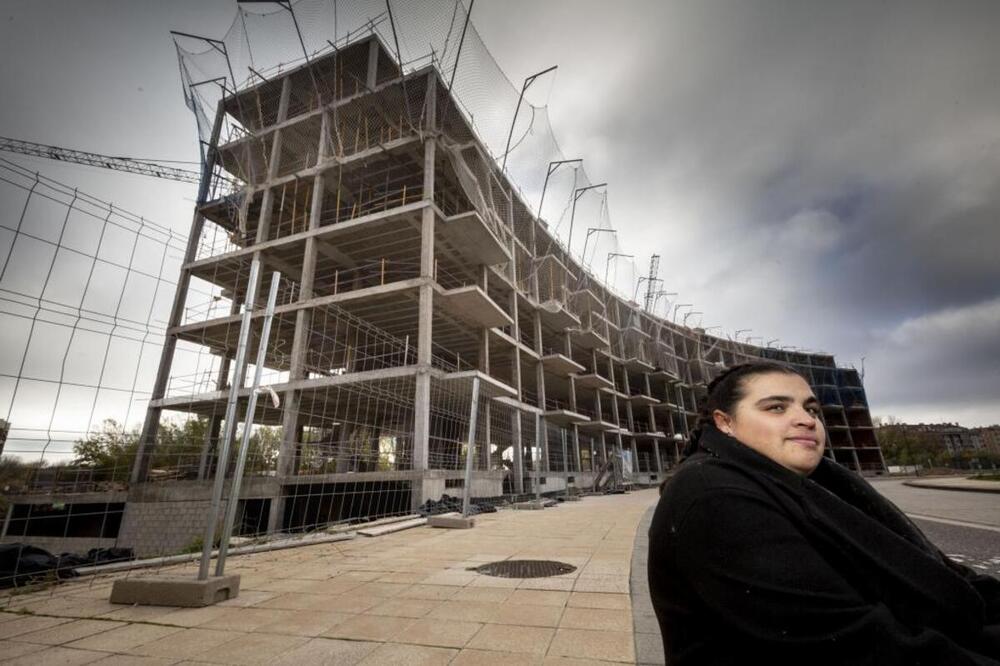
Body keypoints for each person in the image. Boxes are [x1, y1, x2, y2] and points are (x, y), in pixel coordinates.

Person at [648, 361, 1000, 665]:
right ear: (725, 423)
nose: (805, 420)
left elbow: (949, 576)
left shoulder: (818, 487)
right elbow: (856, 648)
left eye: (812, 409)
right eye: (776, 408)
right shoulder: (715, 497)